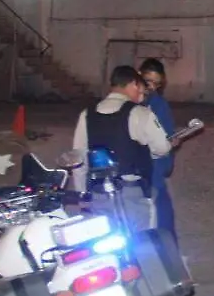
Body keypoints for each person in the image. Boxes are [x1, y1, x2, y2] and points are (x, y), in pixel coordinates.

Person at [72, 65, 171, 233]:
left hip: (99, 194)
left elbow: (79, 159)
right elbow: (162, 148)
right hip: (132, 194)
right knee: (142, 247)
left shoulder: (87, 114)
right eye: (141, 88)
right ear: (133, 84)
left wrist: (82, 194)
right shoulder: (140, 113)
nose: (142, 94)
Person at [139, 58, 177, 241]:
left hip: (156, 172)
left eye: (157, 83)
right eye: (149, 82)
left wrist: (168, 158)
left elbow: (167, 135)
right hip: (138, 175)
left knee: (164, 224)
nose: (152, 87)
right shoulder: (131, 106)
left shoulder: (159, 104)